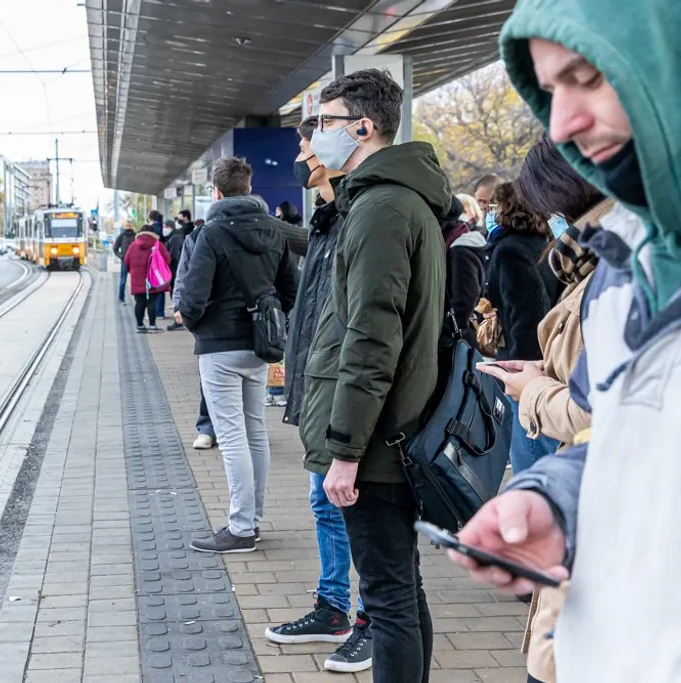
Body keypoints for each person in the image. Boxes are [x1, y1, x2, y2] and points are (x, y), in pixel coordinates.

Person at [451, 3, 681, 682]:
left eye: (588, 77)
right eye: (551, 92)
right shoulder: (622, 264)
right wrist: (553, 501)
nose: (562, 124)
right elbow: (627, 443)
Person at [298, 69, 450, 680]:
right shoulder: (396, 199)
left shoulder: (381, 207)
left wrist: (345, 450)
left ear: (362, 127)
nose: (316, 135)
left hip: (378, 441)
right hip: (395, 428)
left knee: (387, 597)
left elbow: (371, 339)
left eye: (324, 123)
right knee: (401, 590)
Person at [477, 133, 606, 683]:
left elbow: (596, 416)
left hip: (598, 538)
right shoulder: (587, 264)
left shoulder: (615, 278)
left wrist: (530, 387)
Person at [267, 116, 366, 664]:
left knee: (359, 509)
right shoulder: (330, 221)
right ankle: (333, 607)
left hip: (348, 399)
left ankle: (365, 617)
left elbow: (366, 330)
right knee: (323, 502)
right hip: (321, 390)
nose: (303, 155)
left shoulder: (361, 218)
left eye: (308, 144)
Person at [180, 156, 299, 554]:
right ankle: (252, 521)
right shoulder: (273, 229)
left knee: (231, 438)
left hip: (219, 347)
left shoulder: (211, 233)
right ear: (248, 187)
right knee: (255, 434)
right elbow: (291, 291)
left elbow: (193, 296)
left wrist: (194, 323)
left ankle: (240, 529)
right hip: (260, 347)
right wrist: (270, 317)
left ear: (215, 191)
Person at [484, 181, 562, 473]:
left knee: (529, 454)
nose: (490, 212)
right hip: (549, 359)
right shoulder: (545, 242)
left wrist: (518, 368)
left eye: (494, 205)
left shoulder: (509, 250)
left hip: (525, 363)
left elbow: (527, 311)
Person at [172, 214, 217, 449]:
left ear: (216, 193)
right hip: (251, 325)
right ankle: (211, 427)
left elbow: (185, 275)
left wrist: (182, 306)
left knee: (210, 380)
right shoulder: (268, 229)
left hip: (213, 325)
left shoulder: (198, 236)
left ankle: (209, 429)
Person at [439, 195, 486, 356]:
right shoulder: (456, 242)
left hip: (459, 341)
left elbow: (465, 298)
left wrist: (444, 333)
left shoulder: (460, 249)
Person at [123, 224, 171, 332]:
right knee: (152, 302)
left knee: (139, 302)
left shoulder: (133, 245)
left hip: (137, 279)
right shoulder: (158, 244)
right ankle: (153, 326)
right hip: (153, 278)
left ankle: (140, 325)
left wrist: (133, 272)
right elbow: (167, 259)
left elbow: (126, 261)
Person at [166, 210, 195, 331]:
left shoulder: (183, 234)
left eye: (180, 219)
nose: (177, 221)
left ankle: (179, 318)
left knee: (178, 288)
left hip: (179, 266)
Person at [112, 223, 137, 303]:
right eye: (127, 225)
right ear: (125, 226)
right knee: (123, 280)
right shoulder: (121, 236)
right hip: (125, 261)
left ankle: (137, 298)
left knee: (136, 280)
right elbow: (115, 248)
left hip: (134, 261)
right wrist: (121, 256)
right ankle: (121, 298)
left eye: (130, 225)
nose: (128, 227)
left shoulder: (136, 236)